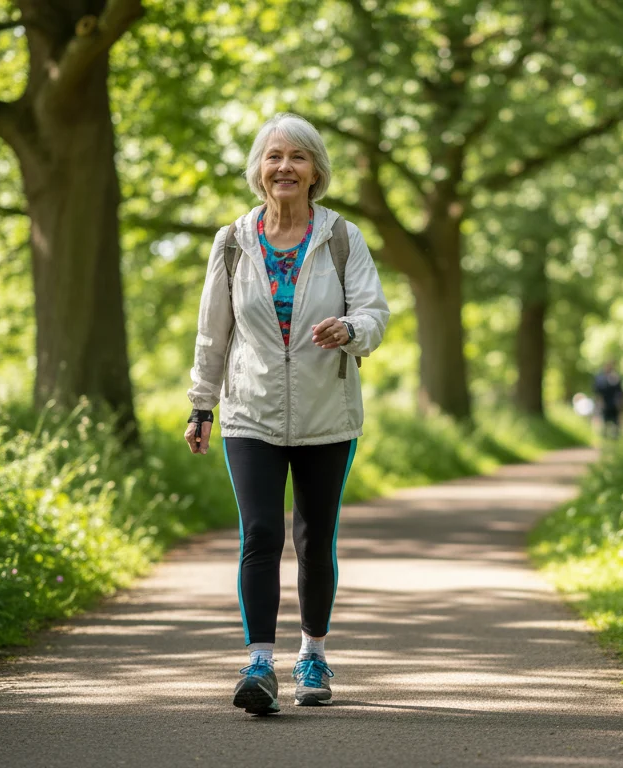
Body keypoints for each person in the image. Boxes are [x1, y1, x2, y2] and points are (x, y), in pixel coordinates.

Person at [183, 113, 390, 715]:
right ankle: (259, 663)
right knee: (261, 535)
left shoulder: (341, 237)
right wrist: (202, 403)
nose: (285, 168)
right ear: (259, 170)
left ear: (317, 171)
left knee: (314, 537)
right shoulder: (232, 242)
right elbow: (212, 333)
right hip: (250, 412)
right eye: (274, 156)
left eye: (298, 157)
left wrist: (351, 328)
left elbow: (375, 313)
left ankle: (313, 653)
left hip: (328, 414)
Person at [592, 360, 623, 439]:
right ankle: (605, 438)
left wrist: (620, 402)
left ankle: (615, 438)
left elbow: (620, 391)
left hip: (614, 404)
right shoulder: (599, 378)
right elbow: (597, 391)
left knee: (615, 422)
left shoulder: (615, 377)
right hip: (604, 403)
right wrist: (599, 402)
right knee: (604, 421)